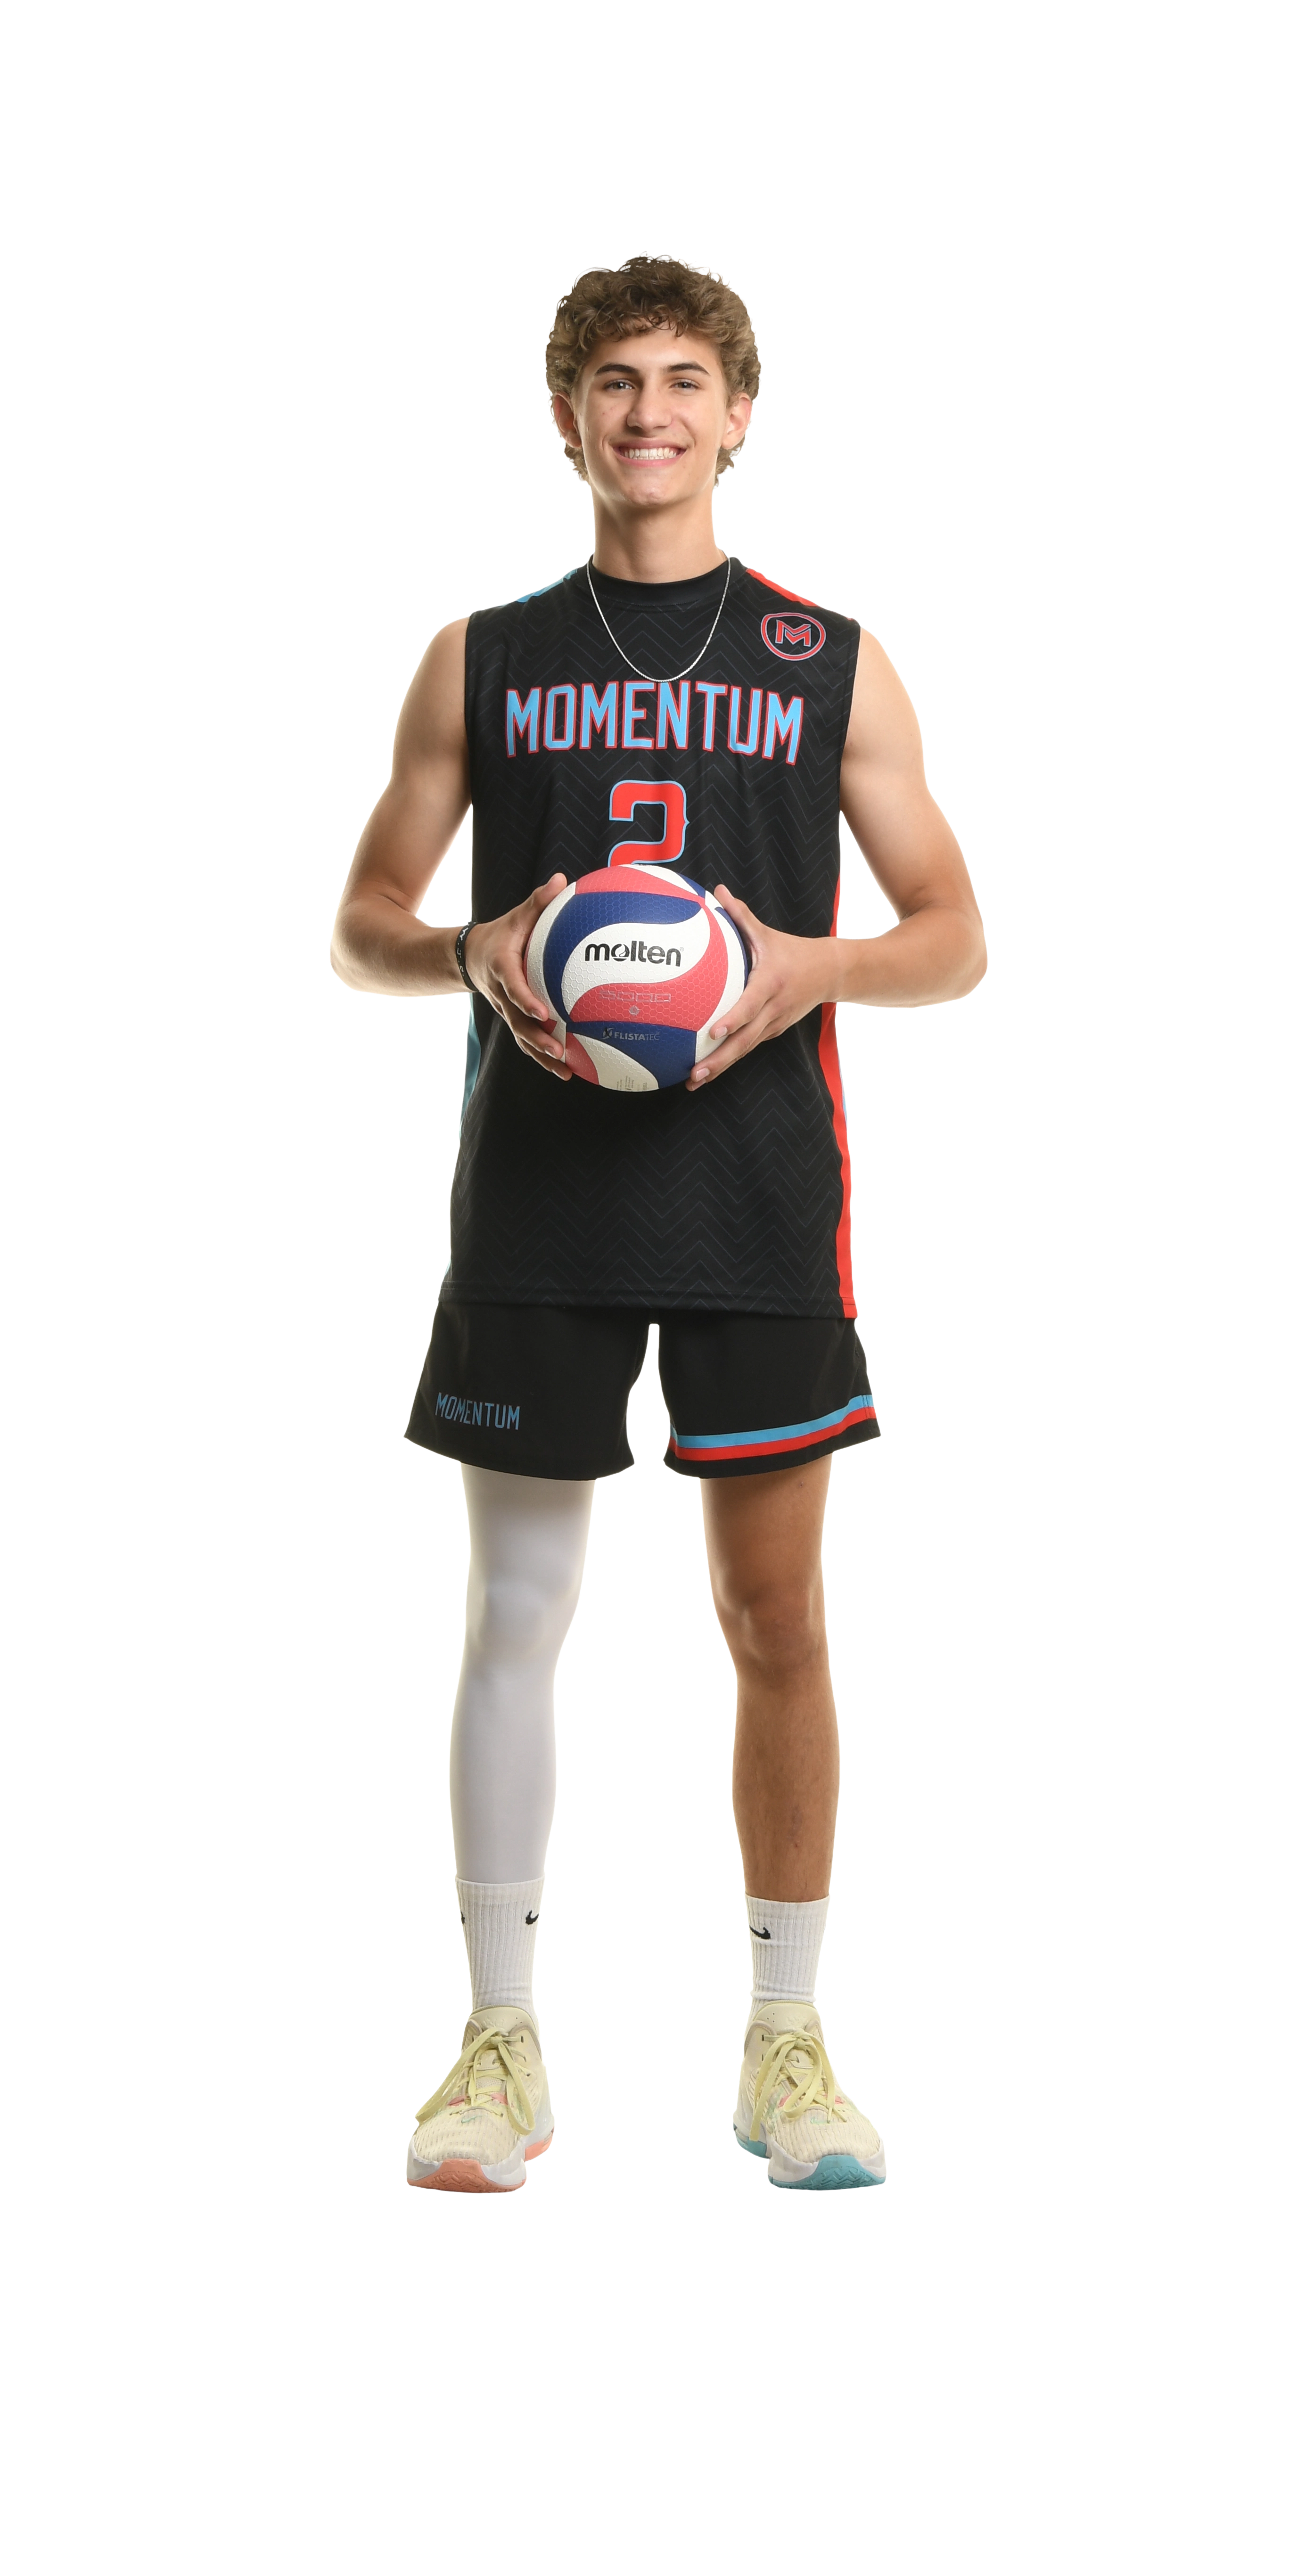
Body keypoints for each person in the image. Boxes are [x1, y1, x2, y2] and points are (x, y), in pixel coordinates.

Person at [332, 252, 987, 2192]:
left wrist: (811, 968)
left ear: (740, 413)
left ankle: (787, 2051)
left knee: (774, 1616)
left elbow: (956, 934)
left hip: (757, 1199)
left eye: (684, 379)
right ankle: (500, 2052)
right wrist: (473, 945)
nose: (648, 414)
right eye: (613, 381)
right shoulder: (480, 657)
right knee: (517, 1612)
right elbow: (361, 923)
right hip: (534, 1201)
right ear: (565, 420)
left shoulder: (829, 658)